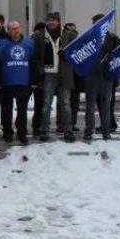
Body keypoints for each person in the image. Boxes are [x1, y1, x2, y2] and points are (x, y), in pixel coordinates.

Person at [34, 12, 78, 143]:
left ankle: (68, 131)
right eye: (49, 20)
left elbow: (77, 46)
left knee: (65, 104)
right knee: (46, 103)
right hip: (48, 74)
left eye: (54, 20)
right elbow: (36, 57)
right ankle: (44, 131)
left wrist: (66, 52)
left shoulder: (67, 35)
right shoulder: (40, 36)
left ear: (59, 22)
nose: (52, 22)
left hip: (64, 73)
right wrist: (39, 72)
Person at [0, 21, 40, 144]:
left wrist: (34, 80)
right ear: (8, 30)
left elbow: (34, 63)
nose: (15, 30)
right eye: (12, 29)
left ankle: (22, 133)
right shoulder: (1, 44)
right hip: (6, 83)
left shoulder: (29, 43)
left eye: (17, 28)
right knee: (6, 111)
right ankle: (7, 132)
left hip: (23, 82)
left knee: (22, 111)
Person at [83, 13, 120, 141]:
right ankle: (89, 130)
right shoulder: (88, 38)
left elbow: (119, 55)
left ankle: (106, 130)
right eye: (96, 23)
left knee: (106, 105)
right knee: (90, 105)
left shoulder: (113, 38)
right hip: (91, 76)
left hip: (107, 76)